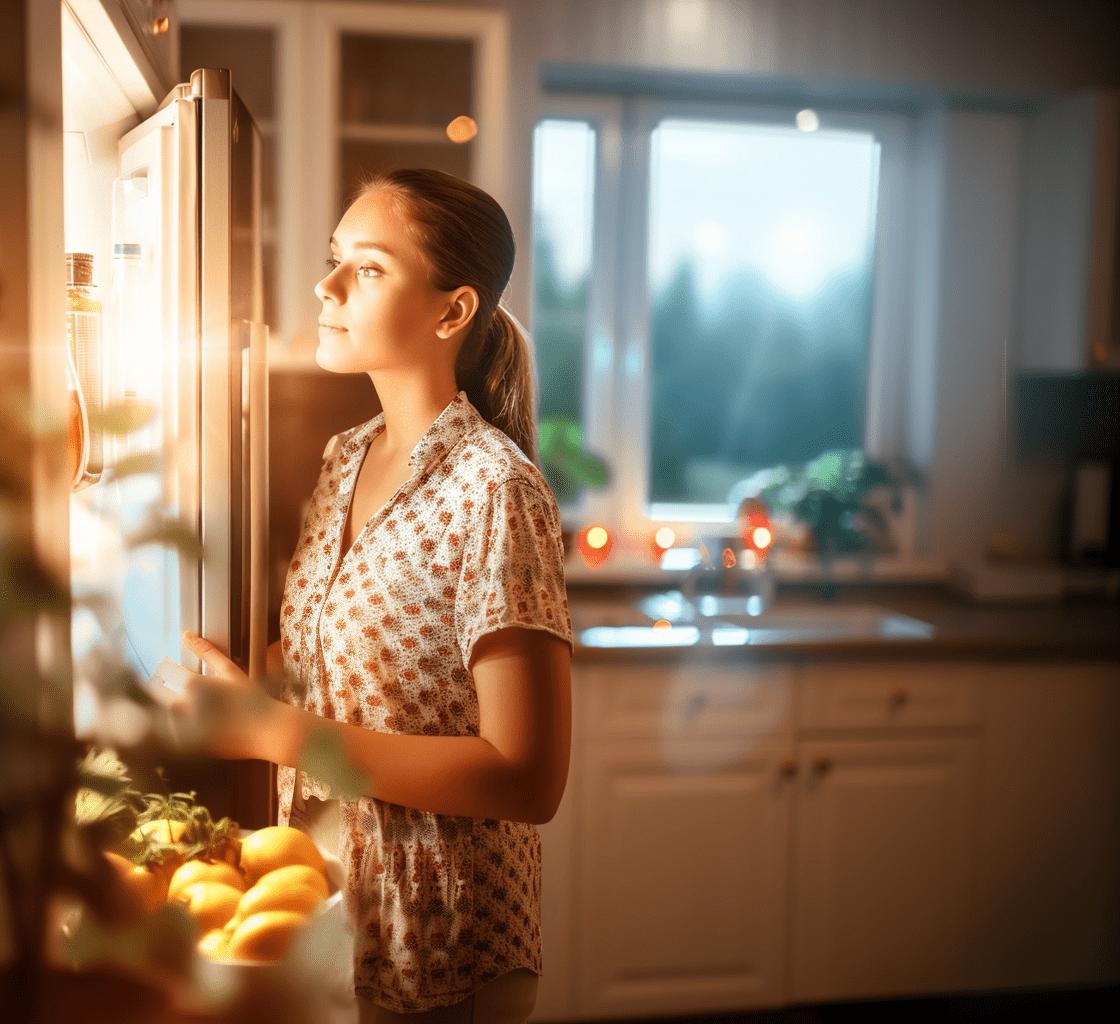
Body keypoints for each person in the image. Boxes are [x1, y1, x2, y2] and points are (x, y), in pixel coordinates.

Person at [173, 168, 573, 1024]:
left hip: (439, 939)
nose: (326, 285)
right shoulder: (343, 457)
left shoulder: (495, 490)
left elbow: (527, 776)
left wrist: (278, 732)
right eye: (333, 258)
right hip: (323, 908)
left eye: (370, 267)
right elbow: (339, 657)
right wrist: (221, 686)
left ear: (452, 310)